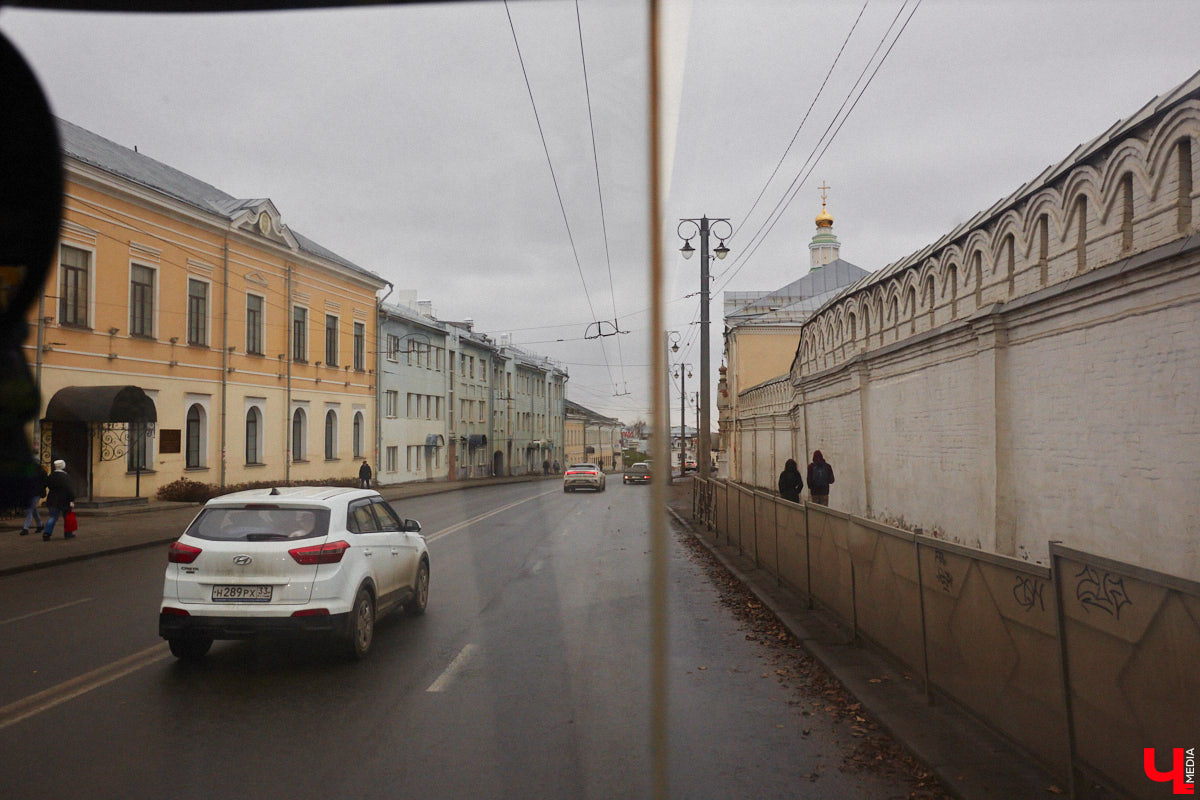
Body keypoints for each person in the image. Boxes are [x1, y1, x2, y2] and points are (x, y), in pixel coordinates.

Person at [43, 459, 75, 541]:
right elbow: (69, 489)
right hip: (64, 500)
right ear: (63, 466)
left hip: (52, 499)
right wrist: (72, 500)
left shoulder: (51, 476)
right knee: (67, 517)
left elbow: (47, 485)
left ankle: (47, 533)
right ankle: (68, 534)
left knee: (53, 517)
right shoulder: (66, 476)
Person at [21, 460, 48, 536]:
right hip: (31, 493)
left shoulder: (42, 472)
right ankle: (40, 525)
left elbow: (45, 483)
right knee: (33, 509)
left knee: (30, 509)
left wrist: (39, 489)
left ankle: (25, 528)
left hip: (37, 493)